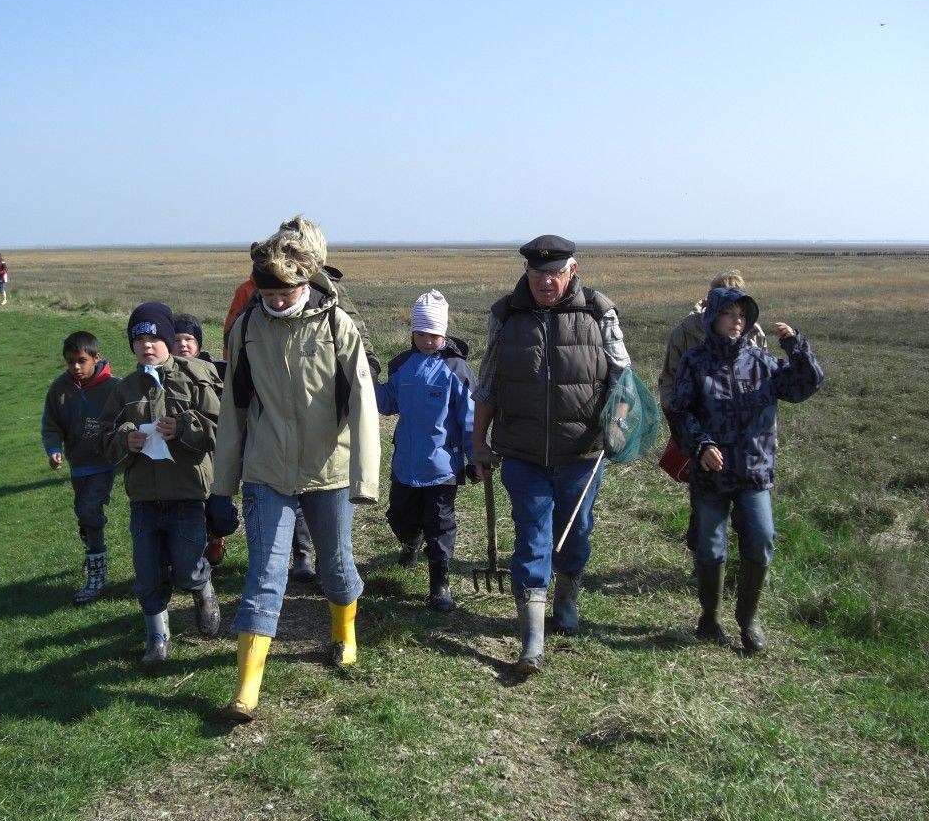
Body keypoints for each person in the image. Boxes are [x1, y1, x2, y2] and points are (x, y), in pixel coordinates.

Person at [214, 216, 380, 722]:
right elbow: (234, 408)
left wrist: (364, 478)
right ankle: (247, 688)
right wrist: (224, 480)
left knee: (334, 561)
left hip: (328, 468)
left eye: (287, 292)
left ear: (306, 282)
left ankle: (343, 633)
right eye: (269, 293)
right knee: (265, 573)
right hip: (267, 470)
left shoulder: (337, 325)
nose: (278, 301)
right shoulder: (246, 328)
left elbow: (363, 403)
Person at [472, 234, 632, 674]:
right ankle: (532, 642)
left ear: (572, 271)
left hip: (581, 454)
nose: (546, 281)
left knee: (576, 532)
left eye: (555, 273)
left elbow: (623, 379)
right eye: (538, 273)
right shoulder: (506, 315)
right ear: (527, 272)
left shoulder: (599, 312)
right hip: (522, 453)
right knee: (532, 538)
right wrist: (478, 442)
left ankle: (567, 597)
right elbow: (488, 381)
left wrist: (616, 423)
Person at [670, 287, 824, 653]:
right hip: (711, 473)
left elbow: (806, 385)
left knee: (762, 537)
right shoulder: (695, 362)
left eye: (742, 315)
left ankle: (748, 620)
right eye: (729, 314)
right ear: (713, 318)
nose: (737, 321)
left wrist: (797, 346)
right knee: (710, 544)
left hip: (754, 469)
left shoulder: (762, 363)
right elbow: (679, 411)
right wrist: (702, 445)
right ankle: (709, 617)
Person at [97, 302, 222, 663]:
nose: (147, 345)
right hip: (144, 498)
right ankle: (157, 639)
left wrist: (183, 427)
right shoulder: (124, 389)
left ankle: (202, 587)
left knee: (186, 566)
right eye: (139, 339)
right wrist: (125, 439)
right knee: (148, 572)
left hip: (186, 492)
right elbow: (104, 438)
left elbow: (222, 429)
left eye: (154, 337)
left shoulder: (195, 377)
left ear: (168, 339)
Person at [374, 290, 477, 612]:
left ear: (443, 333)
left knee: (440, 524)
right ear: (412, 333)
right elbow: (388, 402)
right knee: (400, 517)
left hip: (443, 466)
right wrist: (365, 382)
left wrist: (476, 457)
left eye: (434, 334)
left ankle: (439, 584)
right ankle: (410, 539)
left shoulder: (456, 368)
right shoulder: (402, 365)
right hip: (405, 461)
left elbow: (470, 417)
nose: (427, 340)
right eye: (421, 333)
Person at [658, 270, 769, 554]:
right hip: (702, 432)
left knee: (750, 514)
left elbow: (766, 384)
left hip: (747, 441)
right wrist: (682, 426)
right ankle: (704, 563)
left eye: (739, 307)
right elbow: (669, 379)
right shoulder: (686, 331)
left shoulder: (753, 334)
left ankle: (747, 568)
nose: (735, 317)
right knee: (705, 505)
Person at [41, 331, 121, 604]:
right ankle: (92, 544)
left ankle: (97, 576)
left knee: (90, 510)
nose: (75, 367)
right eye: (70, 362)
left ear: (96, 358)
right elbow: (51, 425)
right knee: (84, 515)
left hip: (105, 463)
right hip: (79, 465)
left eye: (81, 361)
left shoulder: (114, 388)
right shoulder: (60, 389)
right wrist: (54, 450)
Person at [172, 313, 231, 568]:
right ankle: (192, 560)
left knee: (219, 511)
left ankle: (217, 534)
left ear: (198, 344)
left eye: (189, 339)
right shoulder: (164, 374)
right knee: (189, 511)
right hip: (181, 460)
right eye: (176, 340)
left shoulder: (213, 371)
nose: (183, 345)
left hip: (215, 455)